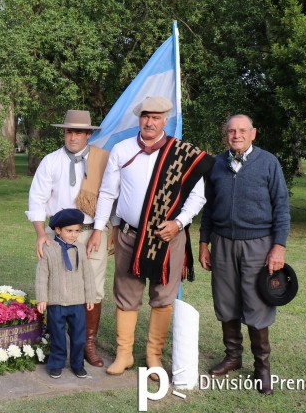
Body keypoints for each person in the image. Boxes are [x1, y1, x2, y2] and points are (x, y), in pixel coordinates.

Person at [87, 96, 213, 379]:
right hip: (130, 236)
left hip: (167, 238)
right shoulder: (122, 149)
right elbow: (108, 192)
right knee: (126, 295)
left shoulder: (181, 153)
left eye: (156, 117)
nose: (150, 122)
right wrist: (100, 227)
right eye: (146, 116)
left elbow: (198, 196)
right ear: (139, 118)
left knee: (163, 296)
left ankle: (154, 357)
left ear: (165, 120)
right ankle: (124, 354)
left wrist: (178, 223)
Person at [199, 114, 290, 395]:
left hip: (258, 244)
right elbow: (209, 207)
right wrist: (203, 243)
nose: (236, 135)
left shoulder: (268, 162)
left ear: (253, 133)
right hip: (223, 242)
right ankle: (233, 357)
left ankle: (262, 366)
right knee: (226, 301)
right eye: (231, 131)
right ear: (225, 134)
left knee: (256, 303)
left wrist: (279, 246)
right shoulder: (216, 164)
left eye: (242, 130)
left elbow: (281, 206)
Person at [26, 109, 110, 367]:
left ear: (88, 135)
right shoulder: (51, 161)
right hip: (59, 234)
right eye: (69, 131)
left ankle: (87, 345)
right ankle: (58, 344)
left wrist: (103, 230)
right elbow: (37, 198)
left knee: (93, 288)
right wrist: (41, 233)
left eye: (79, 132)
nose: (73, 137)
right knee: (57, 288)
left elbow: (110, 196)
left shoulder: (102, 160)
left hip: (92, 232)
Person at [36, 208, 97, 379]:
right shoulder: (48, 249)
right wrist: (42, 298)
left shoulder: (80, 249)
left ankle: (78, 364)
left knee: (78, 337)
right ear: (58, 230)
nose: (73, 235)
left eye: (77, 231)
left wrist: (90, 297)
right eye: (69, 231)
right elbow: (42, 275)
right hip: (56, 302)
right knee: (57, 336)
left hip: (77, 302)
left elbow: (88, 275)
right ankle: (56, 363)